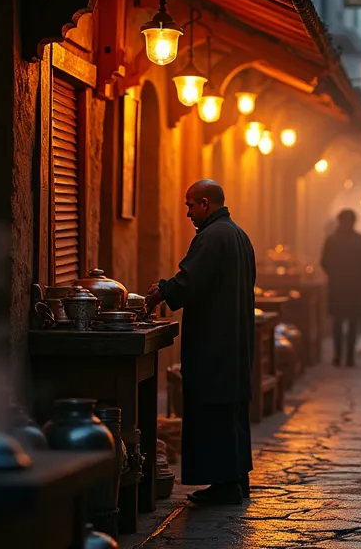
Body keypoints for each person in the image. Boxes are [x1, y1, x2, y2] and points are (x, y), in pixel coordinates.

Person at [145, 179, 256, 505]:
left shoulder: (211, 237)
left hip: (214, 342)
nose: (188, 213)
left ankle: (224, 486)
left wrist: (162, 290)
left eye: (190, 205)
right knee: (230, 411)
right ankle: (236, 480)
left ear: (206, 203)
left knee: (213, 408)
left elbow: (190, 281)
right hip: (234, 340)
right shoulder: (238, 235)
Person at [320, 209, 361, 366]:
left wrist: (334, 274)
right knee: (353, 322)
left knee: (338, 321)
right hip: (355, 287)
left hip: (337, 286)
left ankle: (338, 355)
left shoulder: (332, 240)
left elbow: (324, 261)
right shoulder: (359, 240)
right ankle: (349, 356)